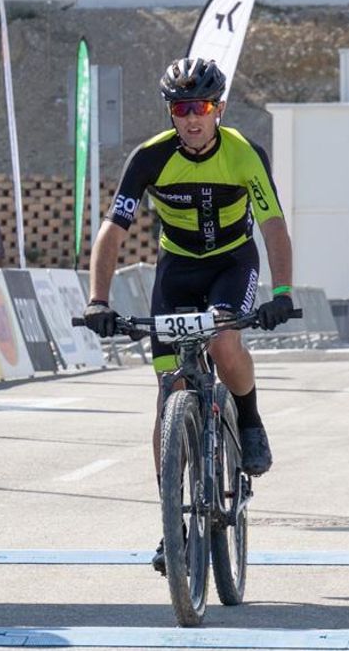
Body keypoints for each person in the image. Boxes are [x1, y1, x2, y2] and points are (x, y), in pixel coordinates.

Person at [79, 57, 296, 575]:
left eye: (200, 107)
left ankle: (248, 421)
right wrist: (98, 300)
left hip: (232, 261)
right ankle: (171, 525)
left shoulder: (244, 155)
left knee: (224, 343)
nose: (191, 118)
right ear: (171, 113)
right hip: (176, 269)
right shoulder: (149, 158)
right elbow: (113, 231)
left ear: (218, 108)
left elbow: (273, 227)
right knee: (168, 396)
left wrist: (283, 291)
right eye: (180, 108)